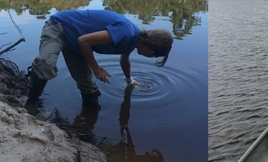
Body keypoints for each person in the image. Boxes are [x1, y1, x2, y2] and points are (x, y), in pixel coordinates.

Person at [24, 9, 173, 113]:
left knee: (87, 86)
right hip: (59, 28)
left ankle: (90, 117)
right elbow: (84, 41)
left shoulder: (133, 41)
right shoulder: (126, 32)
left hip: (76, 46)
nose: (149, 57)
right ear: (151, 51)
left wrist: (129, 81)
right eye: (153, 56)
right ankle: (32, 102)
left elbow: (124, 60)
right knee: (47, 63)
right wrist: (97, 68)